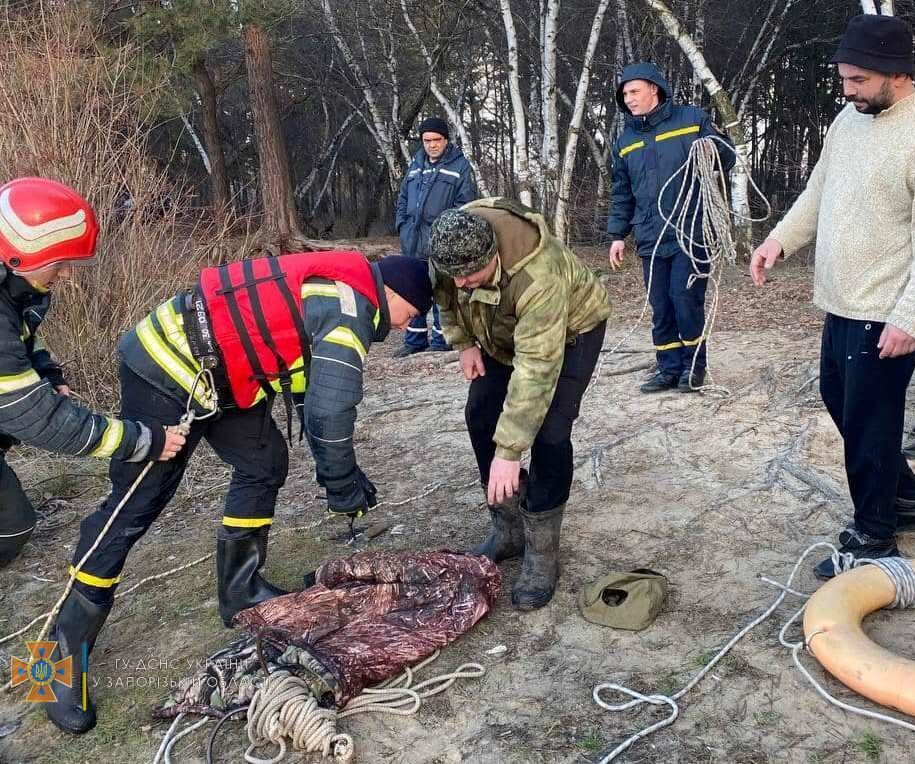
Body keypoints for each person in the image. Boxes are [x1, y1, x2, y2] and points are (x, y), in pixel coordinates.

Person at [46, 249, 433, 733]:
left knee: (264, 462)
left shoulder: (340, 293)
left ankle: (240, 590)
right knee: (137, 503)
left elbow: (310, 393)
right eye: (410, 314)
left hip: (222, 377)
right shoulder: (351, 309)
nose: (403, 326)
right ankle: (56, 658)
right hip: (165, 366)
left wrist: (336, 472)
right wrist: (342, 487)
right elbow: (331, 417)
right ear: (393, 293)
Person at [749, 14, 915, 579]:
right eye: (844, 79)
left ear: (896, 74)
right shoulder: (850, 118)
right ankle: (906, 498)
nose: (847, 91)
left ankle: (874, 535)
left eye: (858, 81)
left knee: (869, 421)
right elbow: (820, 188)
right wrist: (778, 241)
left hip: (886, 310)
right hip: (840, 299)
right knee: (846, 406)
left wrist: (910, 319)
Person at [429, 198, 611, 610]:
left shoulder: (538, 277)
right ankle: (508, 529)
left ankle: (543, 553)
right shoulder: (451, 247)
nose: (460, 284)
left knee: (549, 432)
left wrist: (509, 452)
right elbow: (445, 295)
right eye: (454, 275)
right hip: (501, 332)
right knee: (479, 413)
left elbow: (537, 369)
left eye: (470, 276)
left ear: (492, 256)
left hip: (570, 332)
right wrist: (463, 342)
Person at [0, 177, 184, 567]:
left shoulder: (15, 288)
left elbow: (20, 342)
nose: (66, 274)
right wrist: (140, 441)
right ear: (22, 254)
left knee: (13, 524)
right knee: (11, 526)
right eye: (60, 263)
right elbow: (37, 419)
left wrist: (48, 374)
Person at [607, 62, 736, 393]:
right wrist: (617, 235)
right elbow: (621, 192)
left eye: (634, 91)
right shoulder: (625, 141)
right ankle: (667, 368)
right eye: (624, 94)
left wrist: (713, 146)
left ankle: (694, 368)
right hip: (650, 236)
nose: (629, 98)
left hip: (690, 232)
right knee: (660, 304)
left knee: (685, 299)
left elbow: (728, 157)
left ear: (654, 88)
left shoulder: (691, 120)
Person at [393, 116, 476, 356]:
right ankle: (415, 340)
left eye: (436, 140)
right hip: (413, 240)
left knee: (443, 291)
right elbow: (403, 199)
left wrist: (448, 232)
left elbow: (465, 204)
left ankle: (443, 340)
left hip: (442, 241)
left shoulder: (460, 166)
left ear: (446, 140)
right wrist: (402, 225)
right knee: (413, 289)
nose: (432, 145)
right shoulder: (416, 164)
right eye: (427, 140)